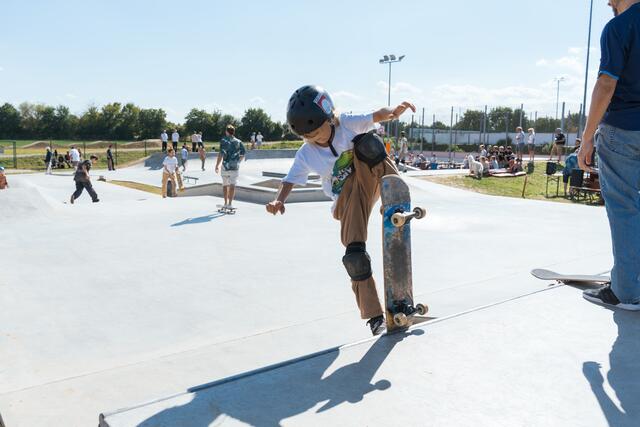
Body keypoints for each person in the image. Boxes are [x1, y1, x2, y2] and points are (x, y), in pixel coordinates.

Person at [265, 85, 416, 336]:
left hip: (369, 181)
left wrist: (394, 112)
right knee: (355, 258)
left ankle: (395, 197)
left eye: (318, 133)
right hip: (346, 202)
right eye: (309, 137)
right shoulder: (306, 154)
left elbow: (377, 115)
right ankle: (375, 317)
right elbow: (290, 179)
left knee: (369, 143)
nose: (317, 140)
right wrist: (279, 200)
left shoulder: (347, 123)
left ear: (330, 117)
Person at [579, 0, 640, 310]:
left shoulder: (619, 26)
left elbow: (606, 83)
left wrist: (587, 138)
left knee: (625, 208)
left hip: (624, 130)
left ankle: (628, 292)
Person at [215, 124, 246, 209]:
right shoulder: (239, 142)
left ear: (227, 132)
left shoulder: (223, 141)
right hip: (235, 166)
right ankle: (230, 203)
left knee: (225, 185)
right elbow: (243, 154)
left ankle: (225, 203)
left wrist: (217, 165)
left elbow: (221, 154)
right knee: (232, 185)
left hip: (225, 166)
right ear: (233, 132)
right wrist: (238, 162)